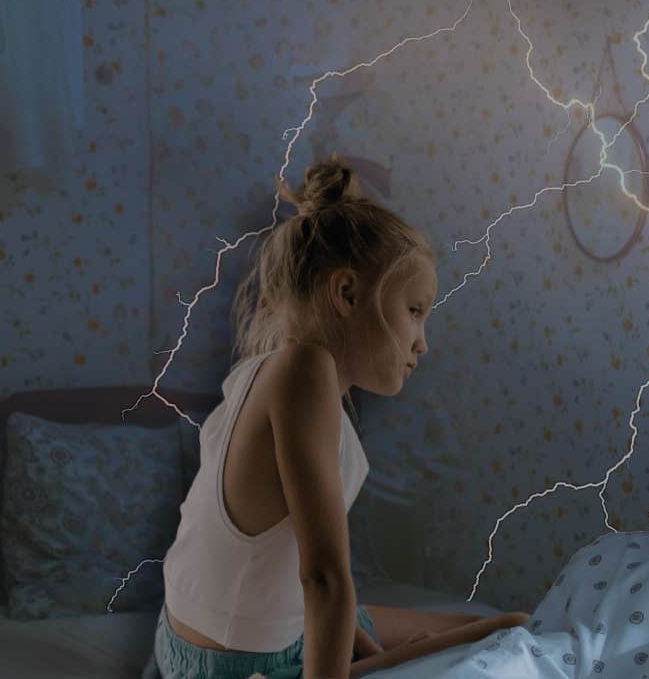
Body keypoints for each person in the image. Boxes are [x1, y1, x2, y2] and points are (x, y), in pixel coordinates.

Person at [146, 158, 529, 679]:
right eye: (414, 311)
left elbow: (293, 570)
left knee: (461, 624)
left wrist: (368, 652)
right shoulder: (305, 372)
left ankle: (390, 652)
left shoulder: (279, 369)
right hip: (234, 663)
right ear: (347, 293)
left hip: (202, 639)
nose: (423, 342)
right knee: (503, 626)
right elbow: (324, 580)